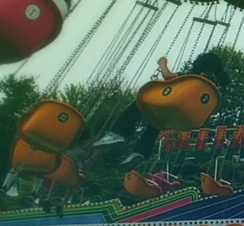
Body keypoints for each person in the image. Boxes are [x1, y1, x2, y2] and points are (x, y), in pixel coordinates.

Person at [96, 50, 229, 167]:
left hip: (175, 104)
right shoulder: (214, 87)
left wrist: (162, 63)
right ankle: (141, 151)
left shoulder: (192, 78)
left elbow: (168, 76)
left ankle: (119, 132)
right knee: (158, 121)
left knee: (141, 102)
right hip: (191, 118)